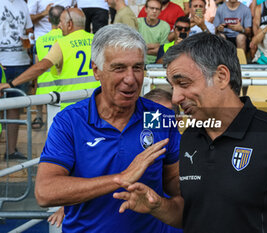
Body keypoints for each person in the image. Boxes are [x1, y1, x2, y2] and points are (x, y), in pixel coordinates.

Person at [113, 32, 267, 233]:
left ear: (221, 76)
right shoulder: (190, 139)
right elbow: (195, 214)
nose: (175, 98)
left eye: (183, 83)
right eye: (172, 86)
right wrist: (158, 206)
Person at [34, 24, 181, 232]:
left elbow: (174, 180)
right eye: (119, 68)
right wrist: (119, 179)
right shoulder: (70, 121)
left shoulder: (158, 116)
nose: (131, 79)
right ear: (96, 70)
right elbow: (45, 192)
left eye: (137, 67)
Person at [0, 8, 100, 109]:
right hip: (95, 104)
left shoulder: (63, 43)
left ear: (69, 24)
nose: (59, 25)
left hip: (71, 107)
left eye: (61, 22)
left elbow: (41, 67)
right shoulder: (97, 41)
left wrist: (12, 84)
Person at [0, 0, 33, 160]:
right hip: (2, 62)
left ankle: (11, 151)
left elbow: (28, 29)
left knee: (15, 108)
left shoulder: (22, 4)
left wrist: (28, 45)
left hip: (21, 61)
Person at [32, 5, 65, 130]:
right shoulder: (65, 39)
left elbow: (37, 65)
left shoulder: (40, 40)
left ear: (49, 20)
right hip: (61, 87)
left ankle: (39, 116)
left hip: (44, 87)